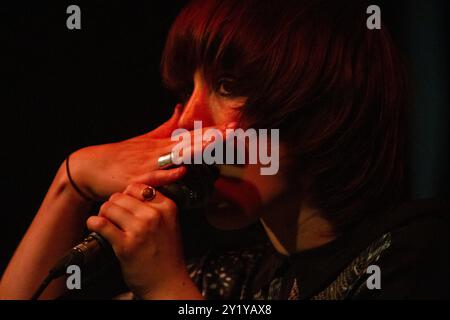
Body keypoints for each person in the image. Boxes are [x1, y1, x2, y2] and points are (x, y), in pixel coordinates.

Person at [1, 0, 449, 300]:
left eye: (227, 87)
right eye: (185, 91)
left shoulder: (418, 253)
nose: (186, 125)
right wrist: (70, 182)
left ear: (323, 106)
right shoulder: (242, 275)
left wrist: (165, 289)